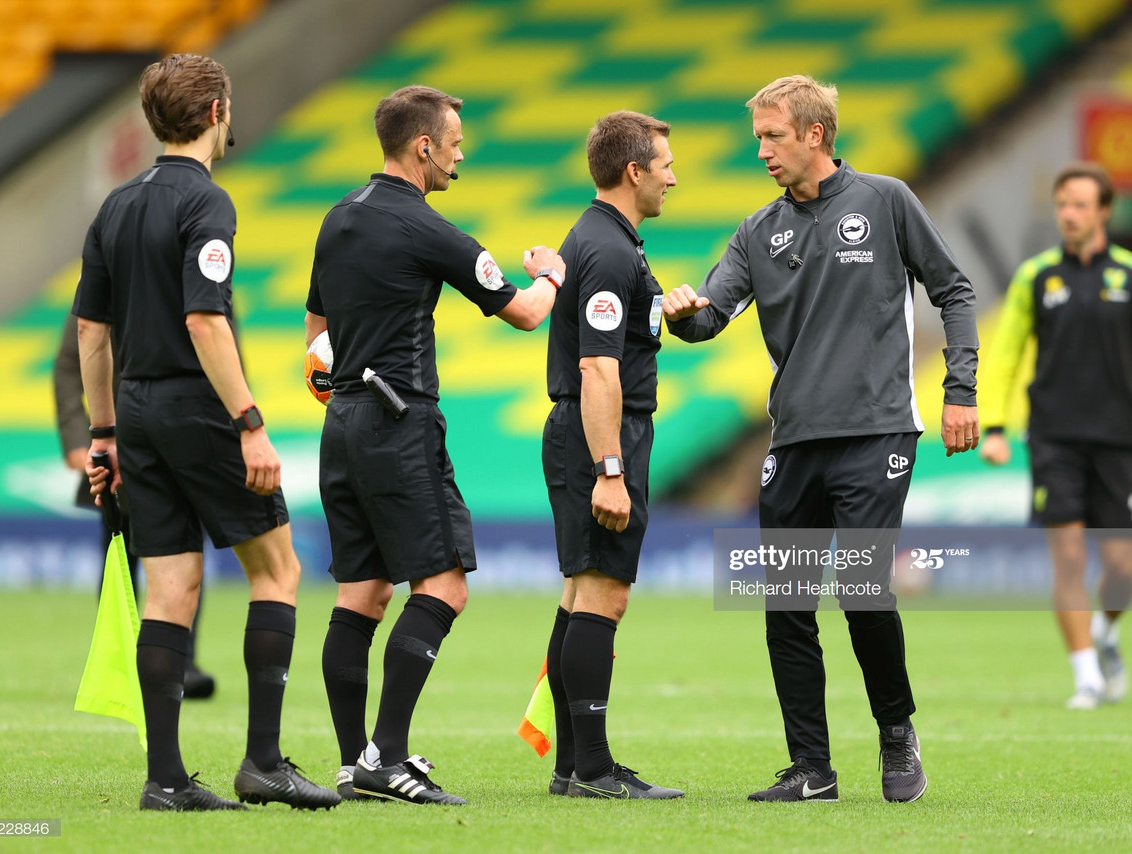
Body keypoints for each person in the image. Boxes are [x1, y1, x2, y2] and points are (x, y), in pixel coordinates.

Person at [663, 74, 979, 804]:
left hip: (878, 431)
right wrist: (684, 312)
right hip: (795, 439)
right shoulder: (757, 230)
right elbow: (711, 316)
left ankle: (896, 734)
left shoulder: (886, 201)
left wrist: (960, 391)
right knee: (788, 603)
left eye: (772, 136)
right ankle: (812, 768)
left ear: (815, 135)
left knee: (864, 591)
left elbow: (955, 290)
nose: (763, 151)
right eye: (758, 139)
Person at [73, 53, 339, 812]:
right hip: (196, 407)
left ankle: (165, 779)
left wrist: (105, 436)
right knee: (277, 571)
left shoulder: (115, 206)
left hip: (136, 410)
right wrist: (249, 423)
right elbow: (203, 317)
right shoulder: (208, 205)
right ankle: (262, 763)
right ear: (218, 112)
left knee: (172, 586)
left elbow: (93, 332)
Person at [304, 84, 565, 806]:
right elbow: (522, 312)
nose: (460, 153)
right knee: (444, 586)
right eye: (453, 141)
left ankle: (355, 760)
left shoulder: (338, 217)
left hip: (343, 421)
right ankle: (387, 757)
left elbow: (314, 335)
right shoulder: (426, 227)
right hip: (398, 419)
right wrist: (553, 274)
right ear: (423, 145)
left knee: (361, 593)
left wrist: (338, 375)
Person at [979, 161, 1132, 710]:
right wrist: (996, 427)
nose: (1068, 214)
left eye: (1079, 204)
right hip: (1053, 439)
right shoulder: (1035, 277)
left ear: (1103, 211)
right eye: (1061, 204)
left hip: (1117, 438)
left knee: (1124, 568)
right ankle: (1086, 679)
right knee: (1068, 558)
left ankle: (1106, 632)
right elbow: (1004, 358)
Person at [539, 111, 683, 800]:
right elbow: (599, 369)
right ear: (635, 171)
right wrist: (611, 469)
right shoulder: (610, 251)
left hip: (591, 430)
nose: (673, 176)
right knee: (603, 596)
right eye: (665, 164)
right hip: (602, 432)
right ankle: (594, 767)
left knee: (578, 597)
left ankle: (573, 767)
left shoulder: (603, 240)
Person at [54, 311, 216, 699]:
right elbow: (67, 363)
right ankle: (119, 662)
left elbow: (226, 354)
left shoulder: (197, 270)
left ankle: (182, 661)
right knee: (118, 555)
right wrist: (80, 439)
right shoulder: (107, 268)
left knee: (185, 551)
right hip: (118, 442)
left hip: (185, 437)